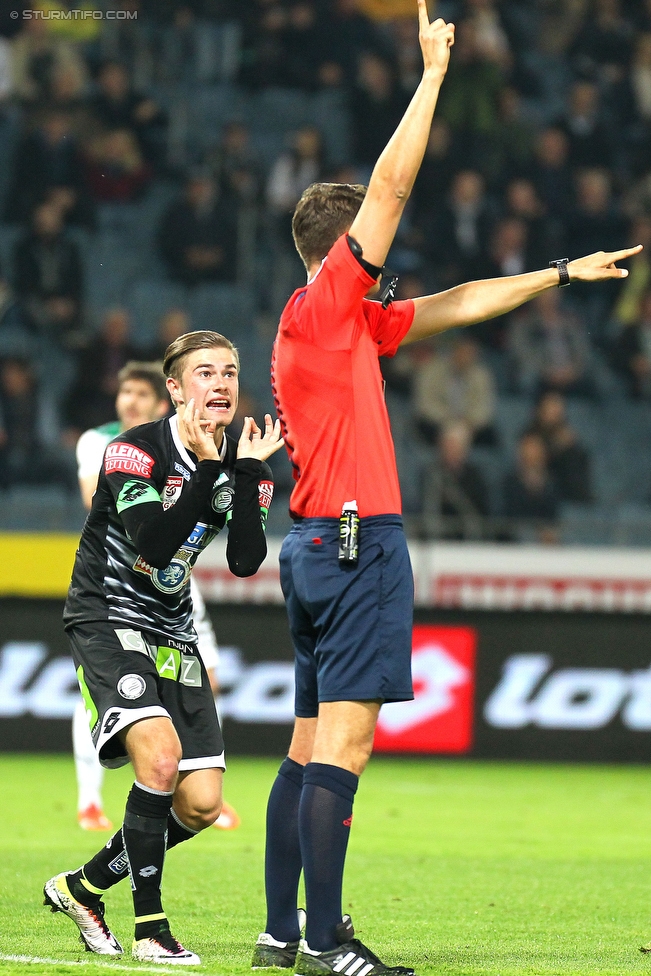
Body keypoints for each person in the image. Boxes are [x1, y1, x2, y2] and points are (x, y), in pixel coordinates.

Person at [253, 4, 641, 975]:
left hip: (315, 548)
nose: (389, 266)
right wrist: (431, 75)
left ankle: (278, 931)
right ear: (344, 249)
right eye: (375, 251)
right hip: (355, 544)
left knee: (306, 747)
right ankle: (330, 944)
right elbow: (389, 184)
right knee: (345, 751)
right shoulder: (329, 301)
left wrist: (558, 272)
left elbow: (459, 303)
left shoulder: (336, 328)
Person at [44, 330, 283, 965]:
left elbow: (243, 560)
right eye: (205, 373)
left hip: (172, 625)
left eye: (230, 372)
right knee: (159, 758)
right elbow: (152, 543)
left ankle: (84, 887)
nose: (222, 384)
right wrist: (210, 473)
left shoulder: (240, 457)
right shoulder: (132, 452)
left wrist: (251, 475)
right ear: (174, 390)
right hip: (108, 613)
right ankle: (151, 928)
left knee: (201, 802)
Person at [73, 360, 240, 833]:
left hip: (170, 583)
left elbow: (242, 551)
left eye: (141, 395)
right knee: (102, 699)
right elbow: (102, 506)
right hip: (111, 581)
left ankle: (196, 786)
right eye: (125, 391)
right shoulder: (107, 442)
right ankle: (90, 799)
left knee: (206, 672)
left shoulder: (214, 451)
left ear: (162, 400)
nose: (131, 401)